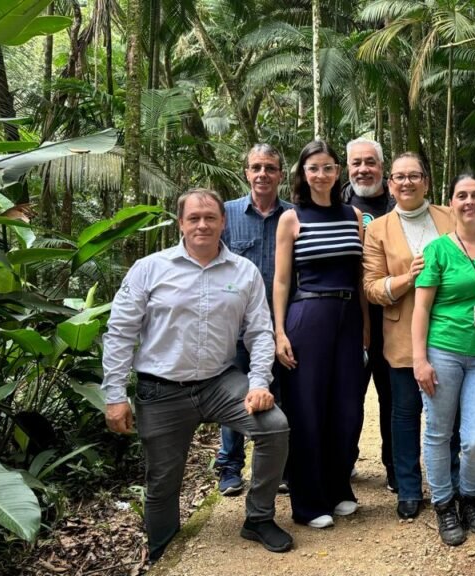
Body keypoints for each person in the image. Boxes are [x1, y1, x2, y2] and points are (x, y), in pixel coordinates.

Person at [102, 188, 293, 562]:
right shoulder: (149, 268)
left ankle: (258, 517)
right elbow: (120, 332)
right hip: (161, 390)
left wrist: (258, 383)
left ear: (224, 222)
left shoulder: (244, 271)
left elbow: (259, 332)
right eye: (194, 218)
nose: (202, 225)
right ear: (181, 224)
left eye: (210, 218)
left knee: (273, 425)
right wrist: (113, 396)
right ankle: (166, 552)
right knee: (162, 482)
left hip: (219, 382)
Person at [272, 140, 369, 529]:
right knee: (307, 409)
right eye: (314, 168)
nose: (321, 174)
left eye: (328, 167)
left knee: (347, 407)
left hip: (347, 318)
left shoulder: (355, 216)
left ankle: (338, 488)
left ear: (337, 171)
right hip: (307, 315)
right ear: (303, 174)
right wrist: (279, 331)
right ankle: (309, 503)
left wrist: (364, 328)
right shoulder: (291, 219)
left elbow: (360, 279)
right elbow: (281, 280)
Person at [361, 152, 460, 520]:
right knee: (405, 412)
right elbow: (371, 287)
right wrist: (408, 277)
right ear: (390, 185)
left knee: (449, 411)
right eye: (399, 177)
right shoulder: (378, 228)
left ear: (426, 182)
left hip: (451, 330)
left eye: (414, 175)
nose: (407, 182)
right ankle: (407, 486)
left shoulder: (449, 217)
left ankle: (448, 481)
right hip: (402, 333)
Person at [412, 174, 475, 546]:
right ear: (450, 203)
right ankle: (444, 503)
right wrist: (420, 360)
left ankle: (468, 497)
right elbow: (421, 309)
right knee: (438, 431)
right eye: (461, 195)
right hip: (443, 351)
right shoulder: (437, 250)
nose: (469, 201)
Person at [215, 143, 294, 497]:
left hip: (283, 324)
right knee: (235, 395)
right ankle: (230, 468)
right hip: (234, 326)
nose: (263, 174)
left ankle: (279, 469)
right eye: (256, 167)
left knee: (281, 396)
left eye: (270, 168)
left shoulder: (294, 215)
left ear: (281, 174)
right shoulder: (225, 214)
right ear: (246, 172)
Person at [344, 137, 396, 492]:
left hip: (394, 318)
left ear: (382, 166)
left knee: (394, 399)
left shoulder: (400, 205)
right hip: (349, 320)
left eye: (370, 162)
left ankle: (396, 467)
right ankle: (343, 463)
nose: (363, 169)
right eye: (356, 163)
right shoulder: (335, 205)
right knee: (348, 398)